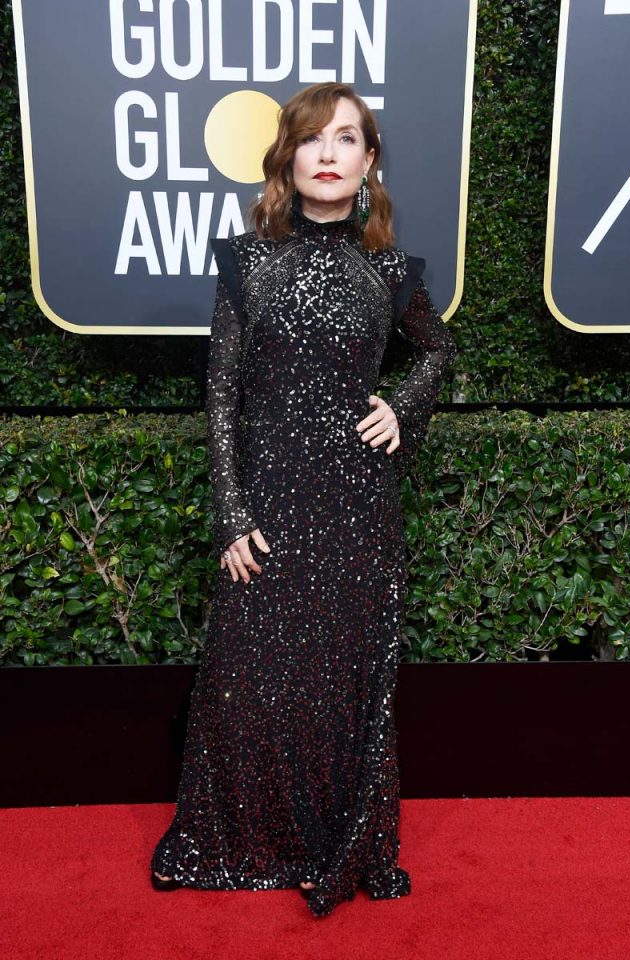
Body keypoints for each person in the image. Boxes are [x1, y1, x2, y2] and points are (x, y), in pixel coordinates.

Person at [150, 81, 458, 919]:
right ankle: (229, 841)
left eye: (346, 138)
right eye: (312, 138)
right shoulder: (246, 262)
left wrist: (404, 406)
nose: (328, 153)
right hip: (270, 502)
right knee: (247, 673)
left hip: (358, 506)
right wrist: (231, 512)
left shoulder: (391, 272)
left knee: (341, 681)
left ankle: (331, 837)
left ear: (369, 160)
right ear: (288, 158)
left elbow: (439, 350)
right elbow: (221, 393)